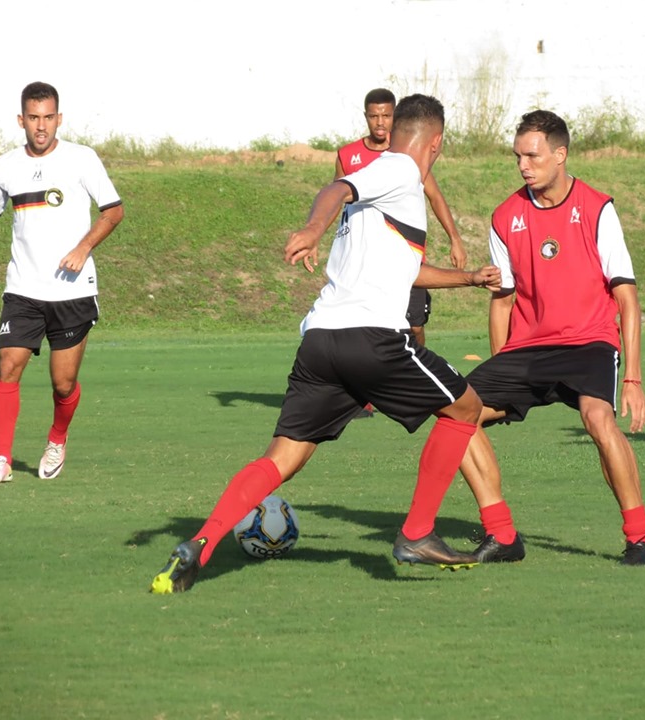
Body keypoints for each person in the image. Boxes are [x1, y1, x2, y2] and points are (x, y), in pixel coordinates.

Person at [150, 94, 501, 594]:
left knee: (283, 457)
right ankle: (417, 534)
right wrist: (313, 228)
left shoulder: (383, 198)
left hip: (320, 343)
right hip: (372, 339)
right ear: (437, 143)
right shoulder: (399, 171)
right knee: (465, 409)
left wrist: (467, 279)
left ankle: (199, 545)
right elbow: (337, 185)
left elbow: (403, 271)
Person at [457, 110, 645, 566]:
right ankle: (502, 535)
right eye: (518, 157)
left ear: (560, 154)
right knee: (455, 411)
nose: (524, 165)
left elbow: (626, 298)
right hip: (528, 349)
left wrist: (633, 378)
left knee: (598, 421)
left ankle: (640, 538)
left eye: (533, 155)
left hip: (590, 342)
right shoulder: (505, 216)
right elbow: (502, 300)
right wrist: (500, 366)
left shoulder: (596, 208)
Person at [0, 81, 124, 483]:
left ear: (58, 118)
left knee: (64, 384)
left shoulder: (82, 159)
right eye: (33, 118)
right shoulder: (6, 166)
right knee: (8, 365)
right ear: (20, 120)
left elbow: (114, 211)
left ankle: (57, 439)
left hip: (73, 291)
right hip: (23, 289)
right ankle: (3, 459)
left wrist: (83, 248)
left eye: (47, 118)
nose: (40, 126)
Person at [335, 87, 468, 349]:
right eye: (374, 116)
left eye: (386, 115)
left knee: (414, 324)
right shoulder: (349, 156)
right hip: (368, 262)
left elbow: (436, 197)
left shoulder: (408, 157)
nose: (380, 122)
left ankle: (417, 359)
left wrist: (455, 238)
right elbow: (336, 196)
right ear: (366, 117)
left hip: (407, 259)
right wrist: (316, 234)